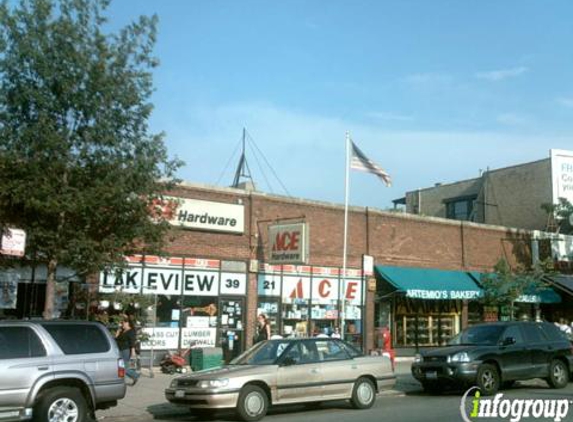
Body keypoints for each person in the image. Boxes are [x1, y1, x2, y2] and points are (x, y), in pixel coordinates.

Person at [116, 317, 140, 386]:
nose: (122, 324)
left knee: (123, 368)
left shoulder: (131, 331)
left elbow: (132, 342)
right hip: (120, 350)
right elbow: (117, 339)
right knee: (120, 367)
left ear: (127, 323)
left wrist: (133, 351)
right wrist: (118, 331)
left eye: (123, 323)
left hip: (125, 351)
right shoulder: (122, 331)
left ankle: (135, 375)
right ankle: (121, 381)